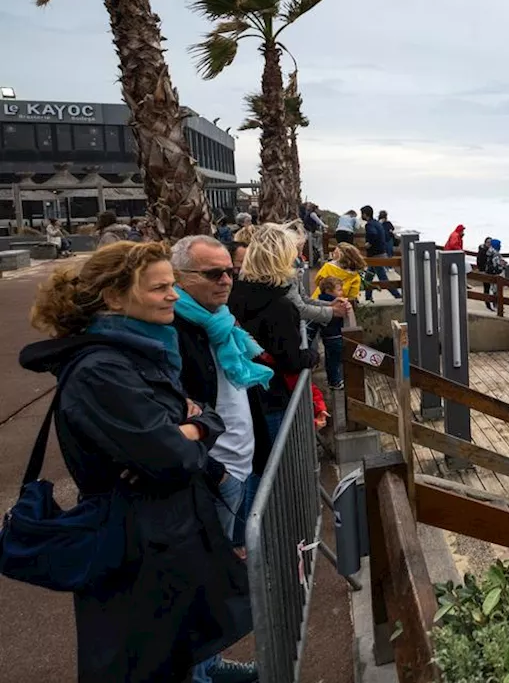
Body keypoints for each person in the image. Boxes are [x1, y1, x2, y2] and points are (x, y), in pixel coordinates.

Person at [20, 241, 251, 681]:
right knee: (141, 658)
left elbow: (192, 420)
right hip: (133, 544)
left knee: (173, 647)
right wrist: (195, 429)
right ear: (113, 297)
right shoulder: (101, 370)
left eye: (171, 285)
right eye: (160, 287)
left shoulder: (138, 354)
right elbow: (173, 456)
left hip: (160, 533)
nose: (173, 296)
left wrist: (193, 426)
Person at [170, 235, 273, 683]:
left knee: (215, 578)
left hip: (237, 466)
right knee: (195, 579)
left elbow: (237, 396)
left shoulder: (221, 324)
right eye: (214, 273)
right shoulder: (175, 330)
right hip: (210, 473)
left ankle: (208, 664)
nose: (227, 279)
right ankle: (197, 673)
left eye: (230, 270)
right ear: (179, 279)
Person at [229, 223, 319, 447]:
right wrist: (312, 356)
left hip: (243, 394)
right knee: (281, 457)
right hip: (272, 396)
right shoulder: (280, 306)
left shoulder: (234, 293)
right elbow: (291, 360)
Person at [361, 205, 400, 301]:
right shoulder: (377, 223)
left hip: (376, 255)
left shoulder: (369, 225)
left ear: (365, 214)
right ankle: (368, 297)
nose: (361, 216)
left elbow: (373, 234)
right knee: (368, 277)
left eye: (362, 214)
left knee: (383, 278)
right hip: (381, 253)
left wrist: (369, 243)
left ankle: (397, 295)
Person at [316, 277, 347, 389]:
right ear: (329, 291)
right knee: (334, 360)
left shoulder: (321, 302)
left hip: (328, 336)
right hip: (334, 335)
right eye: (339, 290)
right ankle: (335, 381)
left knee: (331, 359)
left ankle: (334, 380)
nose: (341, 292)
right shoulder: (332, 304)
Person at [483, 239, 507, 310]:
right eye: (499, 245)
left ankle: (494, 305)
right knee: (496, 291)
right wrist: (503, 265)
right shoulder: (496, 254)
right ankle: (497, 306)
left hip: (489, 272)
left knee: (493, 290)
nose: (500, 246)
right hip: (495, 274)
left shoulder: (489, 251)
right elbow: (496, 265)